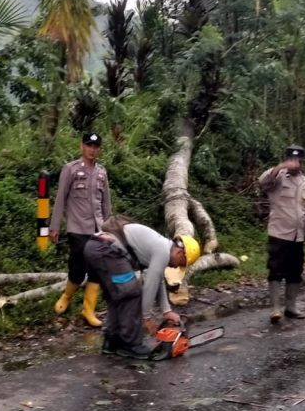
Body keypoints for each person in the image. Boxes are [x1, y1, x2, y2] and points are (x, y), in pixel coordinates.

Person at [85, 216, 200, 359]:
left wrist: (166, 311)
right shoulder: (163, 251)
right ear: (180, 253)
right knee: (131, 293)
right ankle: (130, 345)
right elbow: (150, 285)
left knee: (117, 296)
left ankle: (112, 342)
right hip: (106, 250)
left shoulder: (161, 246)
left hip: (95, 247)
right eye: (181, 263)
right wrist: (146, 318)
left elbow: (157, 279)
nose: (177, 267)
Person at [50, 132, 113, 327]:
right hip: (77, 227)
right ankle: (67, 296)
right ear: (82, 146)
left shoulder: (102, 173)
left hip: (98, 228)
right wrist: (54, 226)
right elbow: (60, 198)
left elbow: (106, 203)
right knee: (78, 267)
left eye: (95, 147)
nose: (92, 150)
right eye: (88, 146)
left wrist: (110, 228)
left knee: (97, 269)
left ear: (99, 149)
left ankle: (88, 310)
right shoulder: (70, 169)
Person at [258, 145, 305, 322]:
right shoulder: (277, 177)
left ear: (302, 162)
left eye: (298, 161)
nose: (295, 164)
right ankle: (275, 309)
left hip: (298, 235)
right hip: (279, 233)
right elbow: (262, 182)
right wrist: (280, 167)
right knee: (275, 270)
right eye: (291, 160)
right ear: (286, 160)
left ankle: (291, 307)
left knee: (295, 271)